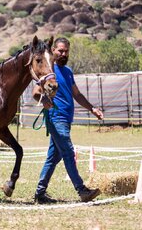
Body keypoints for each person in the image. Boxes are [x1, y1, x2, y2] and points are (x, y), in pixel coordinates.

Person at [33, 37, 104, 204]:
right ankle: (82, 190)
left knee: (54, 157)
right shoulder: (48, 70)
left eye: (66, 51)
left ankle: (40, 193)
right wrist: (44, 100)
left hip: (65, 120)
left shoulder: (68, 71)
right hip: (55, 117)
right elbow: (35, 92)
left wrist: (92, 108)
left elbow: (77, 95)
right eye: (60, 50)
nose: (63, 54)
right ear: (53, 51)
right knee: (68, 152)